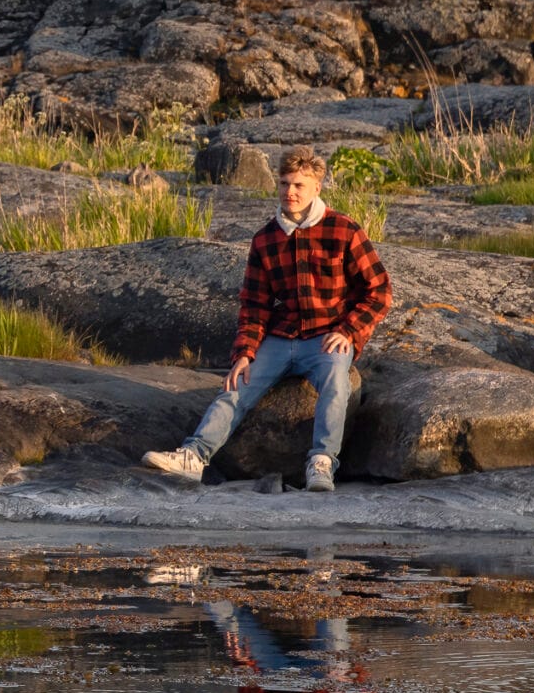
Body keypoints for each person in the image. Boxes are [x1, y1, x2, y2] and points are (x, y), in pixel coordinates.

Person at [141, 146, 391, 492]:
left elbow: (379, 289)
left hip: (326, 337)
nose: (290, 192)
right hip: (281, 337)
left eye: (298, 186)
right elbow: (254, 304)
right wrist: (244, 351)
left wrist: (349, 331)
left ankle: (321, 464)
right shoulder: (265, 239)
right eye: (285, 184)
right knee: (236, 383)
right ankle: (193, 457)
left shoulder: (344, 230)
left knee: (337, 380)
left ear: (317, 188)